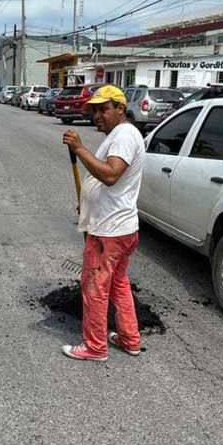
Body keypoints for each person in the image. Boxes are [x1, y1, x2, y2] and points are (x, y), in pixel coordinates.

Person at [60, 85, 145, 362]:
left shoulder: (124, 136)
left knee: (95, 288)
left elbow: (110, 175)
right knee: (118, 284)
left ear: (120, 108)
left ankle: (95, 347)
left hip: (109, 231)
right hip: (121, 228)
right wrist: (88, 202)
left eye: (104, 109)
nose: (97, 116)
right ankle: (130, 339)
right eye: (94, 111)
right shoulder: (121, 134)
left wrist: (79, 148)